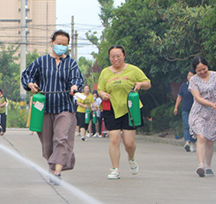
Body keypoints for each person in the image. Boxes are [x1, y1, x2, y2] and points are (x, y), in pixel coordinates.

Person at [21, 30, 84, 180]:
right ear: (52, 43)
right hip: (44, 108)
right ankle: (53, 168)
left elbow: (77, 79)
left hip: (65, 107)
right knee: (48, 144)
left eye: (64, 44)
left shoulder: (71, 63)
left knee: (61, 138)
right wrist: (30, 84)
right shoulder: (41, 61)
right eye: (58, 43)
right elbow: (27, 75)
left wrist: (75, 86)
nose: (61, 46)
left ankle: (57, 172)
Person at [96, 45, 151, 180]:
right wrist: (102, 94)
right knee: (114, 139)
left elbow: (147, 83)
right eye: (112, 56)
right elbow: (100, 89)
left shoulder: (133, 70)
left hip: (130, 108)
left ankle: (131, 158)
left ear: (124, 56)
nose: (115, 59)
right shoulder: (105, 72)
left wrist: (140, 85)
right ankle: (115, 169)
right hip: (111, 108)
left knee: (129, 143)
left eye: (118, 56)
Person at [188, 58, 216, 177]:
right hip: (199, 111)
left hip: (213, 112)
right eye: (199, 70)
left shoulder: (215, 76)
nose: (202, 72)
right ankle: (201, 165)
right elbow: (198, 98)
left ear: (207, 66)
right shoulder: (193, 80)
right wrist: (211, 104)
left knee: (210, 140)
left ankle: (208, 165)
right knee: (201, 136)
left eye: (204, 69)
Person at [174, 71, 196, 152]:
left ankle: (193, 143)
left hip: (195, 110)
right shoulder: (184, 86)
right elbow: (179, 97)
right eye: (188, 75)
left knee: (193, 127)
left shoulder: (197, 86)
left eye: (191, 75)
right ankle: (187, 142)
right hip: (185, 109)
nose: (189, 77)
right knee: (186, 125)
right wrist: (176, 107)